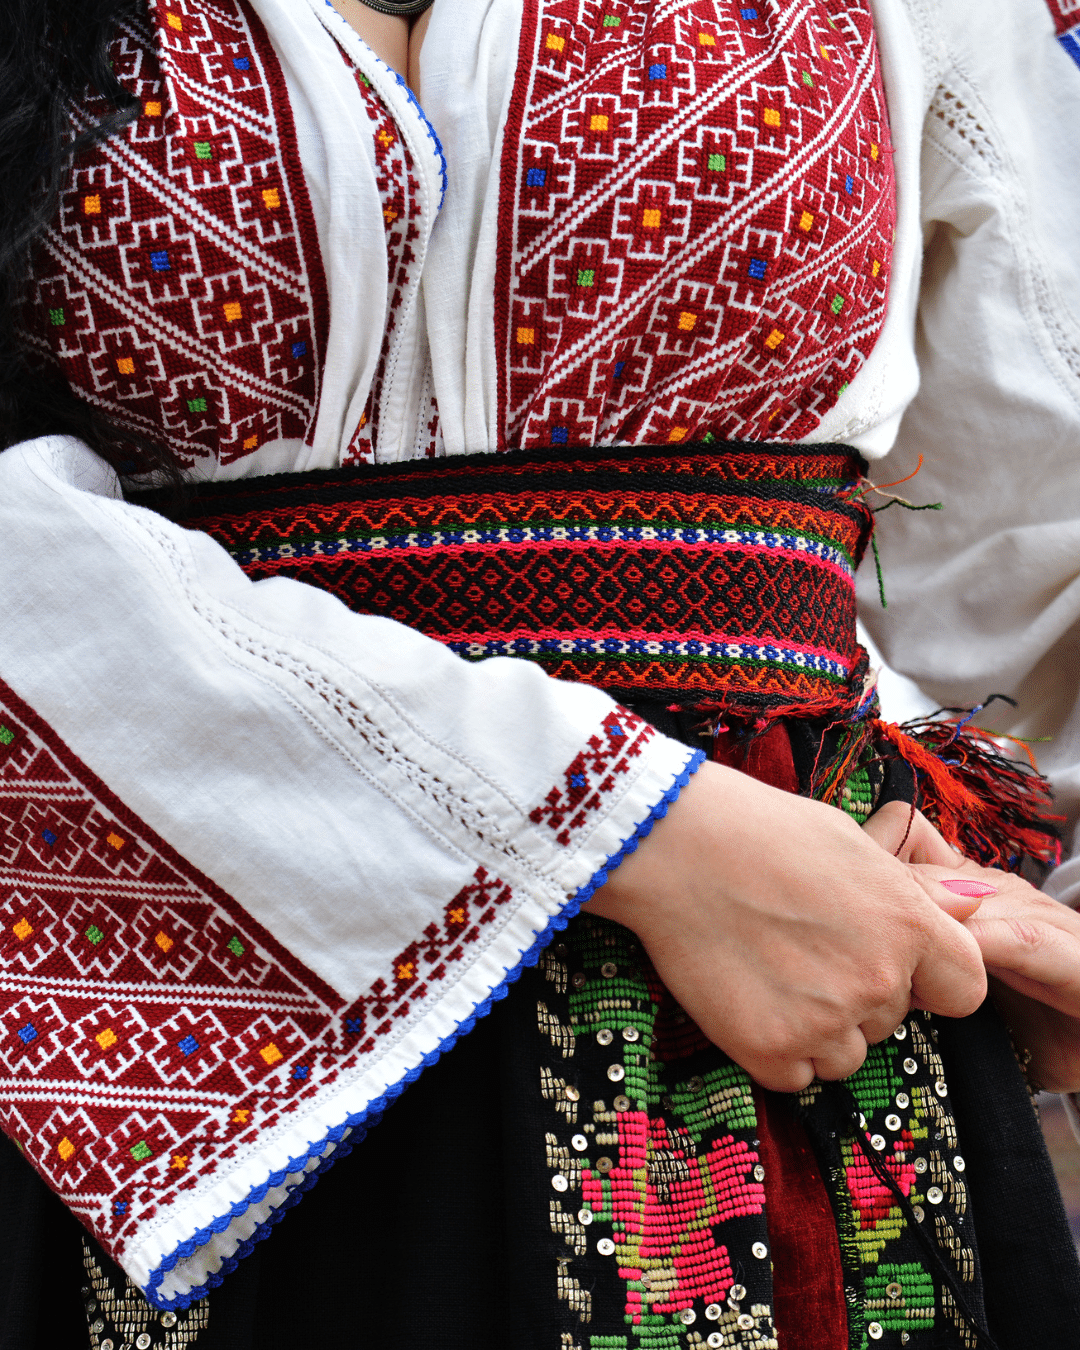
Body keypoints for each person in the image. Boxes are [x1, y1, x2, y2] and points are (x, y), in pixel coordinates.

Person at [1, 0, 1080, 1346]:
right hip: (174, 1012)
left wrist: (1052, 923)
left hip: (806, 1007)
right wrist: (619, 820)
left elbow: (1046, 508)